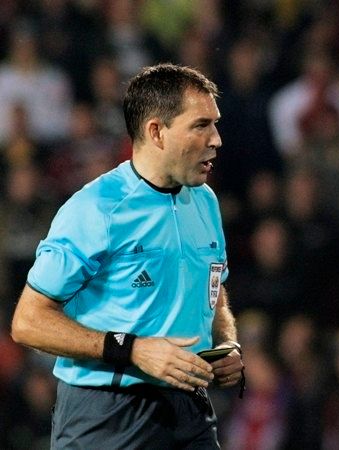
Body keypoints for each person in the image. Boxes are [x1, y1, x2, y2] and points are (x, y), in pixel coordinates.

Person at [11, 63, 245, 449]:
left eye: (215, 124)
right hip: (107, 414)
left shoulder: (205, 202)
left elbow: (214, 290)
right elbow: (28, 322)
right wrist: (133, 349)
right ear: (156, 131)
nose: (217, 139)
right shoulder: (96, 208)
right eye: (201, 125)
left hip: (191, 409)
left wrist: (227, 343)